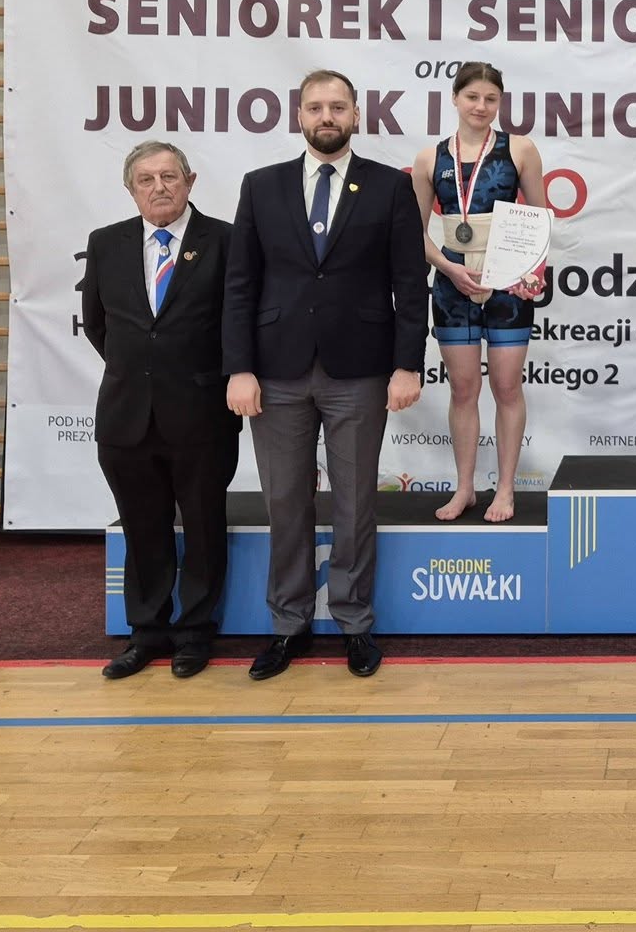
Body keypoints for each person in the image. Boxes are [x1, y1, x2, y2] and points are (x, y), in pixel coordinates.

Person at [223, 69, 428, 680]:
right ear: (299, 116)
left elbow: (409, 283)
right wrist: (239, 368)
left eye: (338, 106)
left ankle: (354, 623)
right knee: (285, 503)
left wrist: (407, 364)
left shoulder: (390, 187)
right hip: (275, 371)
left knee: (355, 501)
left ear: (357, 115)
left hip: (360, 371)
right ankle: (288, 625)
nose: (327, 117)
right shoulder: (261, 186)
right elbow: (240, 285)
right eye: (315, 107)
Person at [80, 141, 236, 679]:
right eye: (146, 179)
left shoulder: (226, 241)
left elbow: (236, 323)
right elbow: (98, 324)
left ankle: (195, 633)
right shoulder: (106, 243)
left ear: (190, 181)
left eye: (169, 176)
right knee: (143, 529)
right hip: (126, 415)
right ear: (131, 190)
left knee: (204, 528)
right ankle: (146, 633)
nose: (159, 187)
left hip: (202, 413)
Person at [410, 61, 549, 523]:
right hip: (453, 284)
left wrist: (530, 271)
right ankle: (465, 488)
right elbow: (415, 232)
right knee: (464, 389)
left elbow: (539, 219)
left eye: (491, 99)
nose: (481, 106)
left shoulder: (520, 149)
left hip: (508, 285)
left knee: (507, 386)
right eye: (472, 97)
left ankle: (505, 489)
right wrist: (449, 268)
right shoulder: (429, 159)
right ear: (454, 98)